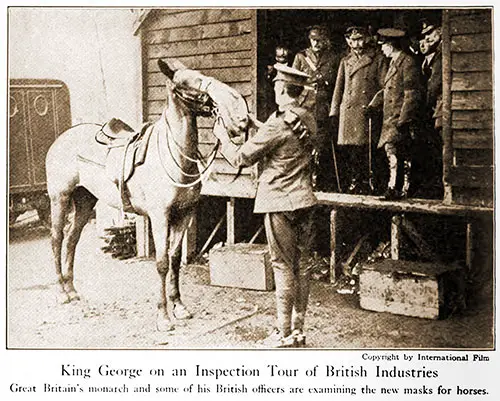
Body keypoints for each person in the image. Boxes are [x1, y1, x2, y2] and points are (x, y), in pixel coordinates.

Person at [212, 64, 317, 348]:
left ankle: (281, 333)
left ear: (282, 89)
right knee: (303, 265)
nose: (273, 89)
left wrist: (222, 139)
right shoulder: (307, 117)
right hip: (305, 199)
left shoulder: (278, 123)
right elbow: (286, 135)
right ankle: (297, 330)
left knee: (282, 265)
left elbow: (242, 158)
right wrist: (257, 126)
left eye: (275, 86)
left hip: (279, 201)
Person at [329, 26, 388, 194]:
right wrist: (334, 111)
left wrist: (374, 104)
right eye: (353, 40)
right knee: (349, 150)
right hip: (348, 111)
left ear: (367, 39)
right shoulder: (345, 61)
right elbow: (338, 88)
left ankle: (367, 182)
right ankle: (353, 182)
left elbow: (386, 87)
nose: (357, 43)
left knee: (365, 149)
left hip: (366, 111)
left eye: (360, 39)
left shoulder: (377, 59)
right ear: (348, 41)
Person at [366, 28, 422, 200]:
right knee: (392, 153)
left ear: (391, 45)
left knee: (395, 154)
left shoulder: (407, 63)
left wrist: (404, 120)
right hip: (390, 118)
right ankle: (394, 188)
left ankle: (398, 188)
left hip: (399, 119)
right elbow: (387, 90)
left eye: (384, 46)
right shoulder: (394, 63)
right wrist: (373, 104)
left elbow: (411, 94)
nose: (382, 49)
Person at [293, 25, 340, 192]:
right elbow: (292, 85)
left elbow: (337, 82)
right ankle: (303, 180)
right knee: (303, 143)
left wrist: (325, 82)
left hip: (323, 107)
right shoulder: (301, 57)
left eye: (320, 40)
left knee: (321, 145)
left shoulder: (333, 58)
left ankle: (318, 181)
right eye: (313, 40)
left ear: (325, 41)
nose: (316, 43)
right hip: (305, 106)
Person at [415, 19, 444, 198]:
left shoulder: (441, 54)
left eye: (431, 34)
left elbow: (435, 84)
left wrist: (425, 105)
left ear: (440, 31)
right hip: (434, 108)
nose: (428, 39)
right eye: (425, 36)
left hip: (438, 107)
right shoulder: (429, 59)